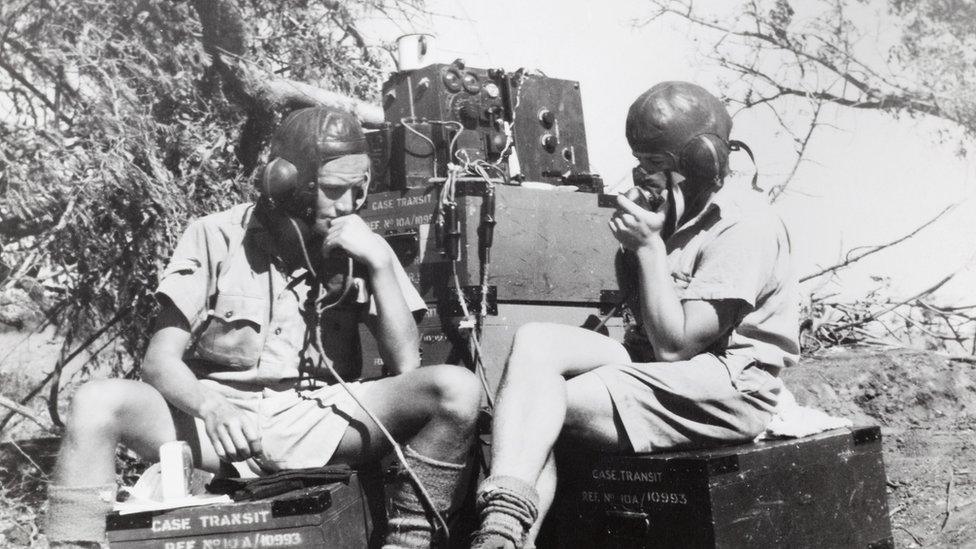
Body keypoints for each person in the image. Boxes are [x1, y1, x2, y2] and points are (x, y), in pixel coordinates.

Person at [46, 107, 483, 549]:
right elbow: (159, 362)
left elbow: (405, 365)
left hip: (318, 421)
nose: (349, 206)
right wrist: (210, 406)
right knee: (95, 400)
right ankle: (71, 544)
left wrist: (380, 263)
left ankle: (408, 543)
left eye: (358, 189)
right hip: (216, 425)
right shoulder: (214, 235)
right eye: (334, 191)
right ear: (284, 183)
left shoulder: (362, 247)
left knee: (457, 389)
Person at [470, 82, 800, 549]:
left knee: (552, 402)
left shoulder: (746, 225)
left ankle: (506, 538)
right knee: (537, 341)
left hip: (730, 385)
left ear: (702, 162)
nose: (643, 177)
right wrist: (640, 247)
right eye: (640, 163)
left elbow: (676, 345)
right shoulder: (679, 213)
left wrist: (647, 247)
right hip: (666, 369)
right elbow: (645, 326)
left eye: (656, 165)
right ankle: (502, 527)